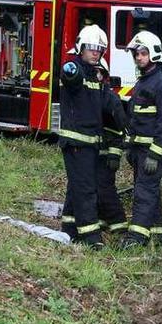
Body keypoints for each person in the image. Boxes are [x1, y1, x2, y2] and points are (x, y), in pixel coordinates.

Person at [123, 31, 162, 247]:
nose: (138, 57)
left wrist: (155, 154)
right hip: (139, 151)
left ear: (153, 54)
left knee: (143, 193)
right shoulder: (143, 82)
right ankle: (157, 234)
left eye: (142, 53)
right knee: (148, 191)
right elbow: (135, 118)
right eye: (136, 54)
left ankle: (137, 238)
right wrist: (130, 146)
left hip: (152, 153)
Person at [58, 24, 108, 247]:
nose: (95, 52)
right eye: (91, 48)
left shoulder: (95, 75)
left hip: (89, 143)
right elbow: (70, 74)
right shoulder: (74, 68)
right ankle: (90, 237)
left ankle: (69, 228)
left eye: (99, 49)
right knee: (86, 188)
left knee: (76, 186)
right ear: (81, 47)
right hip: (76, 142)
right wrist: (75, 68)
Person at [95, 59, 128, 235]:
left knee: (105, 189)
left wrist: (115, 154)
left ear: (104, 76)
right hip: (91, 154)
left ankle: (119, 225)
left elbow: (119, 128)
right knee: (94, 189)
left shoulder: (111, 99)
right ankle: (100, 221)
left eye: (99, 72)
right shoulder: (89, 95)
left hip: (107, 154)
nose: (96, 75)